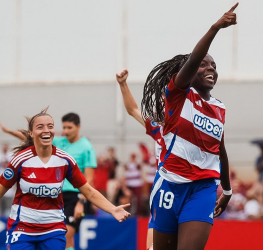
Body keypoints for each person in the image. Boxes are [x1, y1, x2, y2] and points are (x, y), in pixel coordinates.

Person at [140, 3, 238, 249]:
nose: (211, 69)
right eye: (204, 65)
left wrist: (226, 191)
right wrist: (215, 28)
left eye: (214, 66)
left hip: (203, 188)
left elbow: (221, 151)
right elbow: (194, 58)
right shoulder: (177, 95)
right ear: (190, 71)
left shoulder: (219, 108)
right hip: (169, 184)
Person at [0, 108, 130, 250]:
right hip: (22, 228)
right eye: (40, 127)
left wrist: (113, 209)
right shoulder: (20, 160)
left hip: (53, 230)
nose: (46, 130)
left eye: (50, 126)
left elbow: (89, 191)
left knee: (69, 238)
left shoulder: (65, 160)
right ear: (31, 133)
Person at [116, 68, 163, 249]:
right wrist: (123, 84)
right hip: (162, 193)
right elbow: (133, 110)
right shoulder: (158, 130)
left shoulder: (188, 131)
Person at [52, 112, 97, 250]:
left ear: (78, 127)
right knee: (60, 237)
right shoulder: (59, 142)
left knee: (66, 235)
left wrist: (81, 202)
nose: (65, 131)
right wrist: (9, 131)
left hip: (77, 197)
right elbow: (35, 140)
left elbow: (89, 179)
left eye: (69, 127)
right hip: (57, 196)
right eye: (64, 127)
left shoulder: (86, 147)